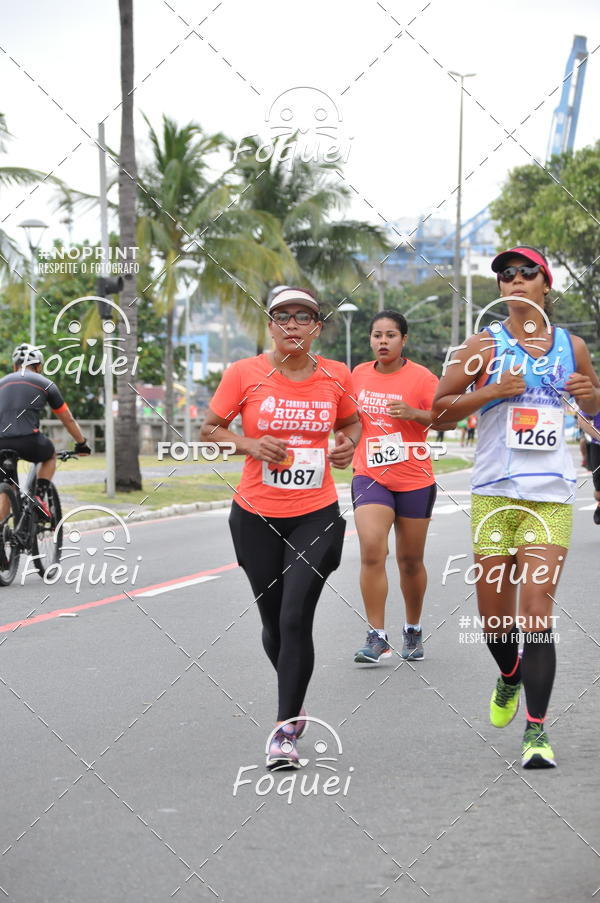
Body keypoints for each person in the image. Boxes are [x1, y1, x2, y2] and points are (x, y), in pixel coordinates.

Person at [433, 246, 600, 768]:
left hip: (549, 494)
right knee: (495, 624)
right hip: (494, 495)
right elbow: (435, 414)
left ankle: (537, 731)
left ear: (545, 285)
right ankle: (509, 676)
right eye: (507, 274)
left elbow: (594, 411)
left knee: (536, 615)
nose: (516, 279)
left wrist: (591, 396)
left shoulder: (572, 346)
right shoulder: (481, 345)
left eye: (528, 272)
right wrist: (490, 393)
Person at [200, 287, 360, 770]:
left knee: (295, 619)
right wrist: (249, 444)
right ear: (270, 325)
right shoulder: (244, 373)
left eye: (304, 316)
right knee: (272, 623)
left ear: (318, 326)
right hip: (255, 514)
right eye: (282, 316)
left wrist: (346, 447)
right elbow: (210, 429)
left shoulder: (337, 374)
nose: (293, 324)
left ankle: (284, 728)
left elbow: (352, 425)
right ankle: (297, 699)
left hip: (316, 511)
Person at [351, 310, 455, 663]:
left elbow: (448, 421)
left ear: (403, 340)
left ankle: (413, 628)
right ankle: (376, 636)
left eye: (391, 335)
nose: (383, 341)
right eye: (377, 334)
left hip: (414, 479)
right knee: (371, 549)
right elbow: (349, 420)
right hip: (370, 476)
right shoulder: (358, 375)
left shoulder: (423, 378)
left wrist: (415, 414)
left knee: (410, 561)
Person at [0, 344, 91, 518]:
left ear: (14, 366)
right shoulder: (46, 384)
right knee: (50, 454)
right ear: (39, 366)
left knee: (6, 487)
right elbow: (68, 419)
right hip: (28, 440)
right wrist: (82, 443)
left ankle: (2, 536)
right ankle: (38, 497)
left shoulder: (1, 383)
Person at [578, 411, 600, 523]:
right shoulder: (597, 396)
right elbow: (581, 419)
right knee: (598, 493)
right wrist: (598, 436)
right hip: (597, 445)